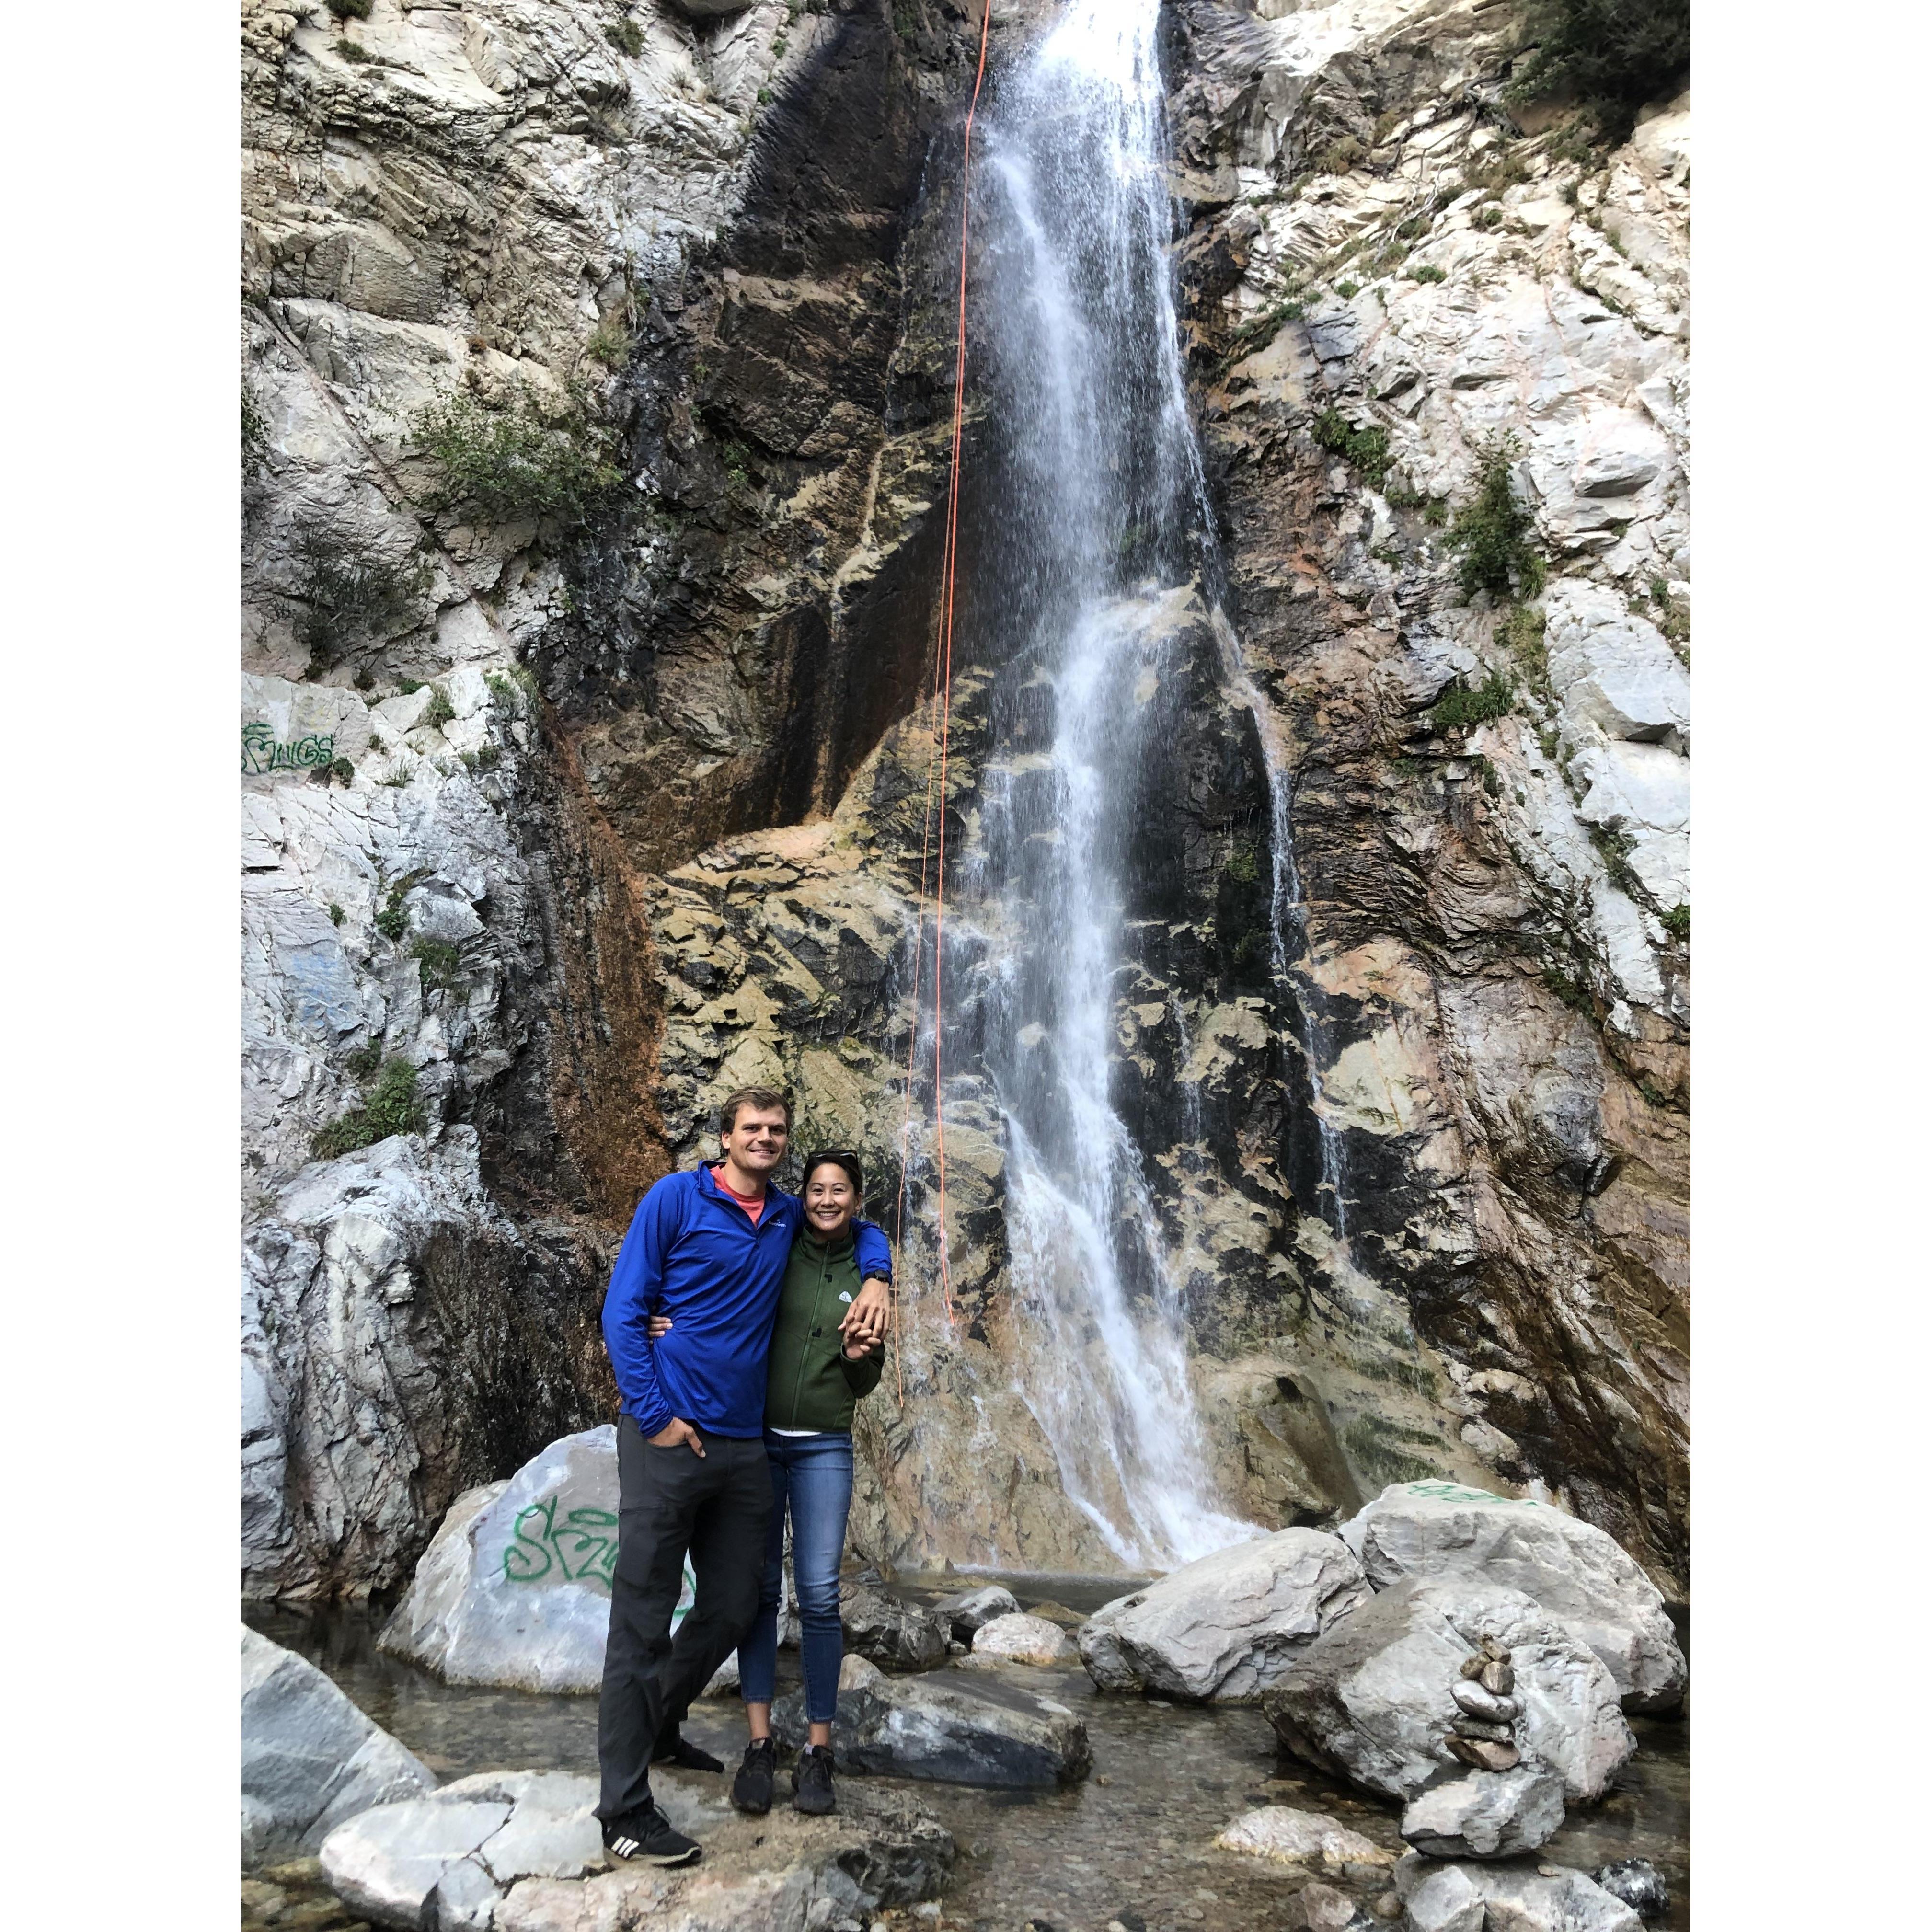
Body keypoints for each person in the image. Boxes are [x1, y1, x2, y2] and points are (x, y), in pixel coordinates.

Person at [595, 1089, 891, 1867]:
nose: (765, 1138)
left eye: (777, 1130)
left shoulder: (791, 1215)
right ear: (725, 1137)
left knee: (734, 1607)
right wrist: (654, 1413)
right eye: (751, 1128)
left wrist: (880, 1277)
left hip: (744, 1446)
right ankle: (624, 1811)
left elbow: (857, 1225)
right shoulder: (675, 1198)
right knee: (642, 1618)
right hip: (667, 1440)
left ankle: (659, 1727)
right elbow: (624, 1310)